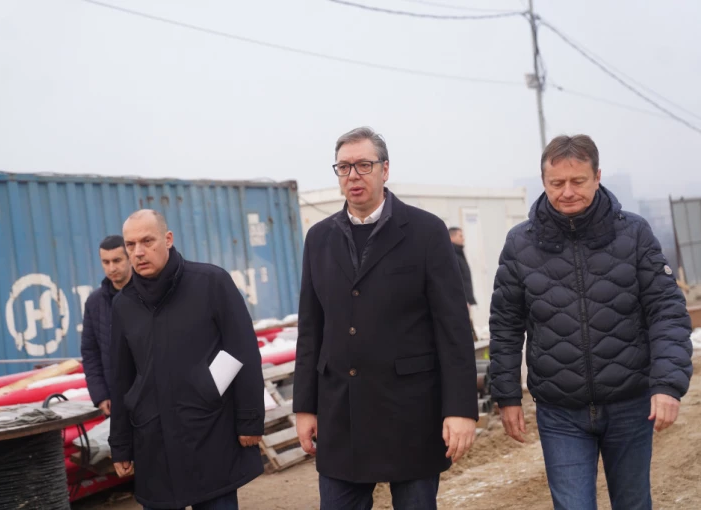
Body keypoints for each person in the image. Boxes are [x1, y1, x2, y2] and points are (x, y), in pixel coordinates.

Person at [489, 134, 693, 510]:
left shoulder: (634, 234)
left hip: (630, 404)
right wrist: (507, 395)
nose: (567, 192)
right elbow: (506, 323)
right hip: (559, 411)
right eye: (556, 183)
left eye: (578, 181)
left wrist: (667, 383)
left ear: (597, 176)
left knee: (633, 503)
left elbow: (667, 310)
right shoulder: (520, 244)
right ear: (543, 181)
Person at [294, 127, 478, 510]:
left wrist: (460, 409)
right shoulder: (319, 239)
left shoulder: (426, 232)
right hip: (341, 415)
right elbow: (311, 330)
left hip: (409, 414)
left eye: (364, 165)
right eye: (344, 167)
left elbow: (453, 329)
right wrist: (305, 407)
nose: (353, 175)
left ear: (385, 169)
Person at [108, 209, 265, 510]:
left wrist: (249, 419)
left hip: (210, 433)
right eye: (130, 244)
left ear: (168, 239)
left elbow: (242, 350)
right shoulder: (123, 305)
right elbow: (121, 379)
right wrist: (121, 444)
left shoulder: (211, 283)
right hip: (153, 442)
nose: (138, 252)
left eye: (147, 241)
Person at [81, 235, 132, 416]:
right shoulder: (94, 303)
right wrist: (100, 395)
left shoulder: (148, 294)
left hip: (152, 396)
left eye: (117, 260)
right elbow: (90, 353)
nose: (112, 268)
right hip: (116, 399)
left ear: (130, 258)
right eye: (106, 262)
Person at [449, 227, 476, 307]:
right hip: (459, 300)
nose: (463, 238)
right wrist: (463, 300)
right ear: (451, 238)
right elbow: (455, 280)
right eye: (460, 236)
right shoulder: (452, 255)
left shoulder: (459, 253)